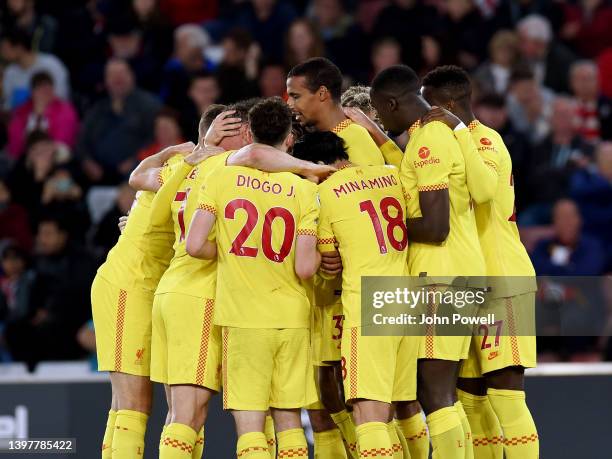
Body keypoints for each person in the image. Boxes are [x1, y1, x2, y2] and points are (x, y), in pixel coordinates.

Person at [149, 97, 333, 459]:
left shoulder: (211, 171)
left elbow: (185, 233)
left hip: (214, 304)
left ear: (249, 132)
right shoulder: (303, 188)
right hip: (254, 307)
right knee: (285, 421)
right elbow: (305, 267)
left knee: (205, 418)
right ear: (290, 138)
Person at [422, 65, 540, 459]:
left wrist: (458, 131)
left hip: (501, 276)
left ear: (450, 106)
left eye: (430, 104)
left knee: (506, 395)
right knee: (470, 400)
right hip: (466, 282)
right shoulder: (444, 142)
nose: (424, 112)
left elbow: (485, 192)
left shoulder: (485, 141)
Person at [371, 64, 486, 459]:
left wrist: (383, 229)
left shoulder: (427, 142)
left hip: (442, 276)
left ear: (390, 103)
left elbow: (435, 226)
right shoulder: (431, 135)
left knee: (433, 392)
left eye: (379, 114)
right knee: (443, 392)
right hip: (455, 273)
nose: (381, 122)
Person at [294, 130, 416, 459]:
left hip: (367, 304)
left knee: (368, 414)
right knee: (392, 414)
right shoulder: (390, 176)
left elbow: (328, 262)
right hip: (407, 300)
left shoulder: (325, 192)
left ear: (316, 165)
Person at [90, 141, 196, 459]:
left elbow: (139, 178)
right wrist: (172, 152)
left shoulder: (193, 168)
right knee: (135, 404)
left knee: (124, 404)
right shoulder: (186, 169)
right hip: (130, 284)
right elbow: (137, 178)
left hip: (142, 285)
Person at [5, 214, 96, 370]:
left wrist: (51, 311)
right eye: (40, 234)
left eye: (48, 234)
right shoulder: (35, 261)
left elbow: (81, 297)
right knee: (14, 329)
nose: (42, 239)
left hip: (71, 321)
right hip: (41, 320)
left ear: (62, 236)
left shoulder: (81, 261)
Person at [76, 58, 161, 185]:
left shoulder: (149, 106)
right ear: (105, 80)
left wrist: (135, 160)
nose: (117, 79)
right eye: (112, 75)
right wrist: (87, 162)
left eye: (122, 73)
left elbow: (156, 139)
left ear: (132, 76)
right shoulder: (97, 109)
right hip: (98, 176)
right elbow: (82, 141)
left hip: (136, 173)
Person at [7, 71, 79, 160]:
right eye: (39, 89)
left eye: (47, 89)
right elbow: (15, 148)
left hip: (56, 159)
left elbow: (62, 144)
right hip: (24, 159)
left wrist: (41, 117)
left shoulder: (66, 111)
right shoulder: (21, 112)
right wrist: (36, 116)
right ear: (32, 92)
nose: (43, 93)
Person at [0, 28, 69, 110]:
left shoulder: (51, 64)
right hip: (19, 120)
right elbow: (7, 105)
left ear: (19, 47)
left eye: (4, 48)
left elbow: (62, 97)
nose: (2, 52)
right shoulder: (10, 72)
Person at [516, 14, 575, 93]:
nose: (519, 45)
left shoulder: (562, 61)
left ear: (539, 43)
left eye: (523, 41)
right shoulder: (516, 57)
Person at [569, 60, 612, 143]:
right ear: (572, 82)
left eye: (589, 79)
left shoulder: (609, 106)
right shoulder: (565, 106)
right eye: (581, 79)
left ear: (598, 81)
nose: (585, 84)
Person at [473, 30, 520, 95]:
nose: (505, 53)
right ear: (493, 50)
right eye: (501, 49)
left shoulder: (520, 72)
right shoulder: (481, 73)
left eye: (509, 50)